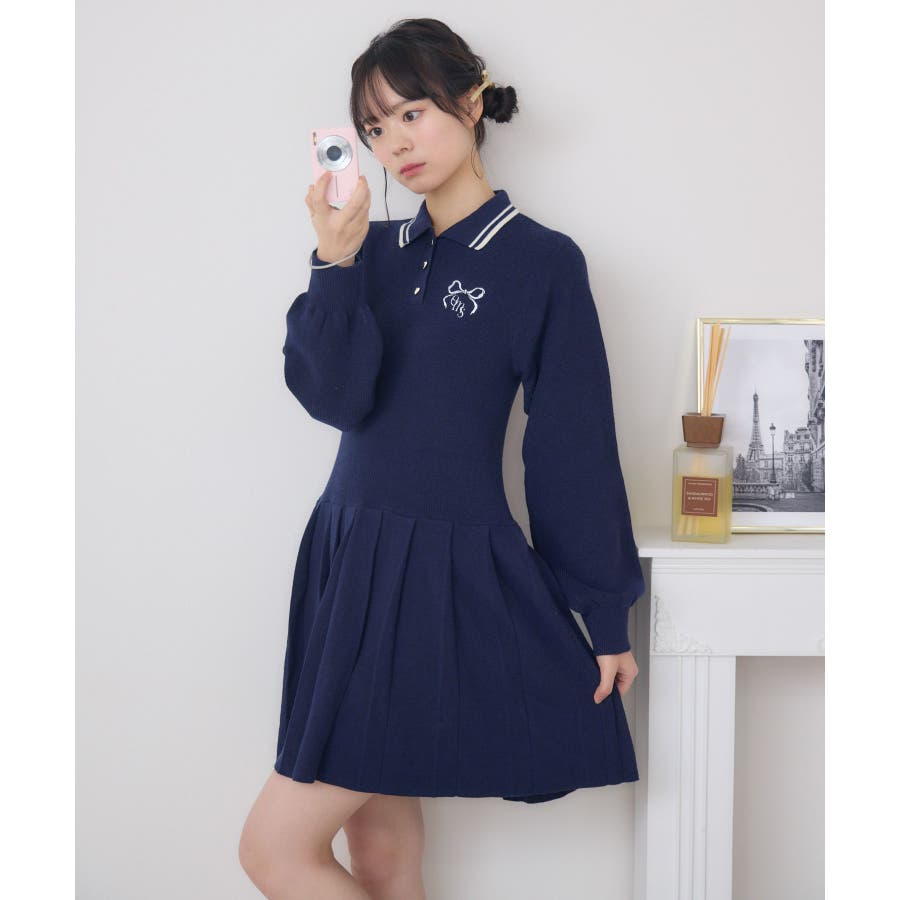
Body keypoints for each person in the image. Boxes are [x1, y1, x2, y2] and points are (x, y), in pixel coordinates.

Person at [239, 17, 645, 900]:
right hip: (348, 558)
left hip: (432, 575)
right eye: (374, 128)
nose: (394, 144)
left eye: (411, 113)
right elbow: (333, 399)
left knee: (272, 852)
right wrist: (333, 262)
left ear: (470, 101)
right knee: (382, 858)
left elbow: (571, 445)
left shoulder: (541, 263)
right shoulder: (370, 253)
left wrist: (604, 612)